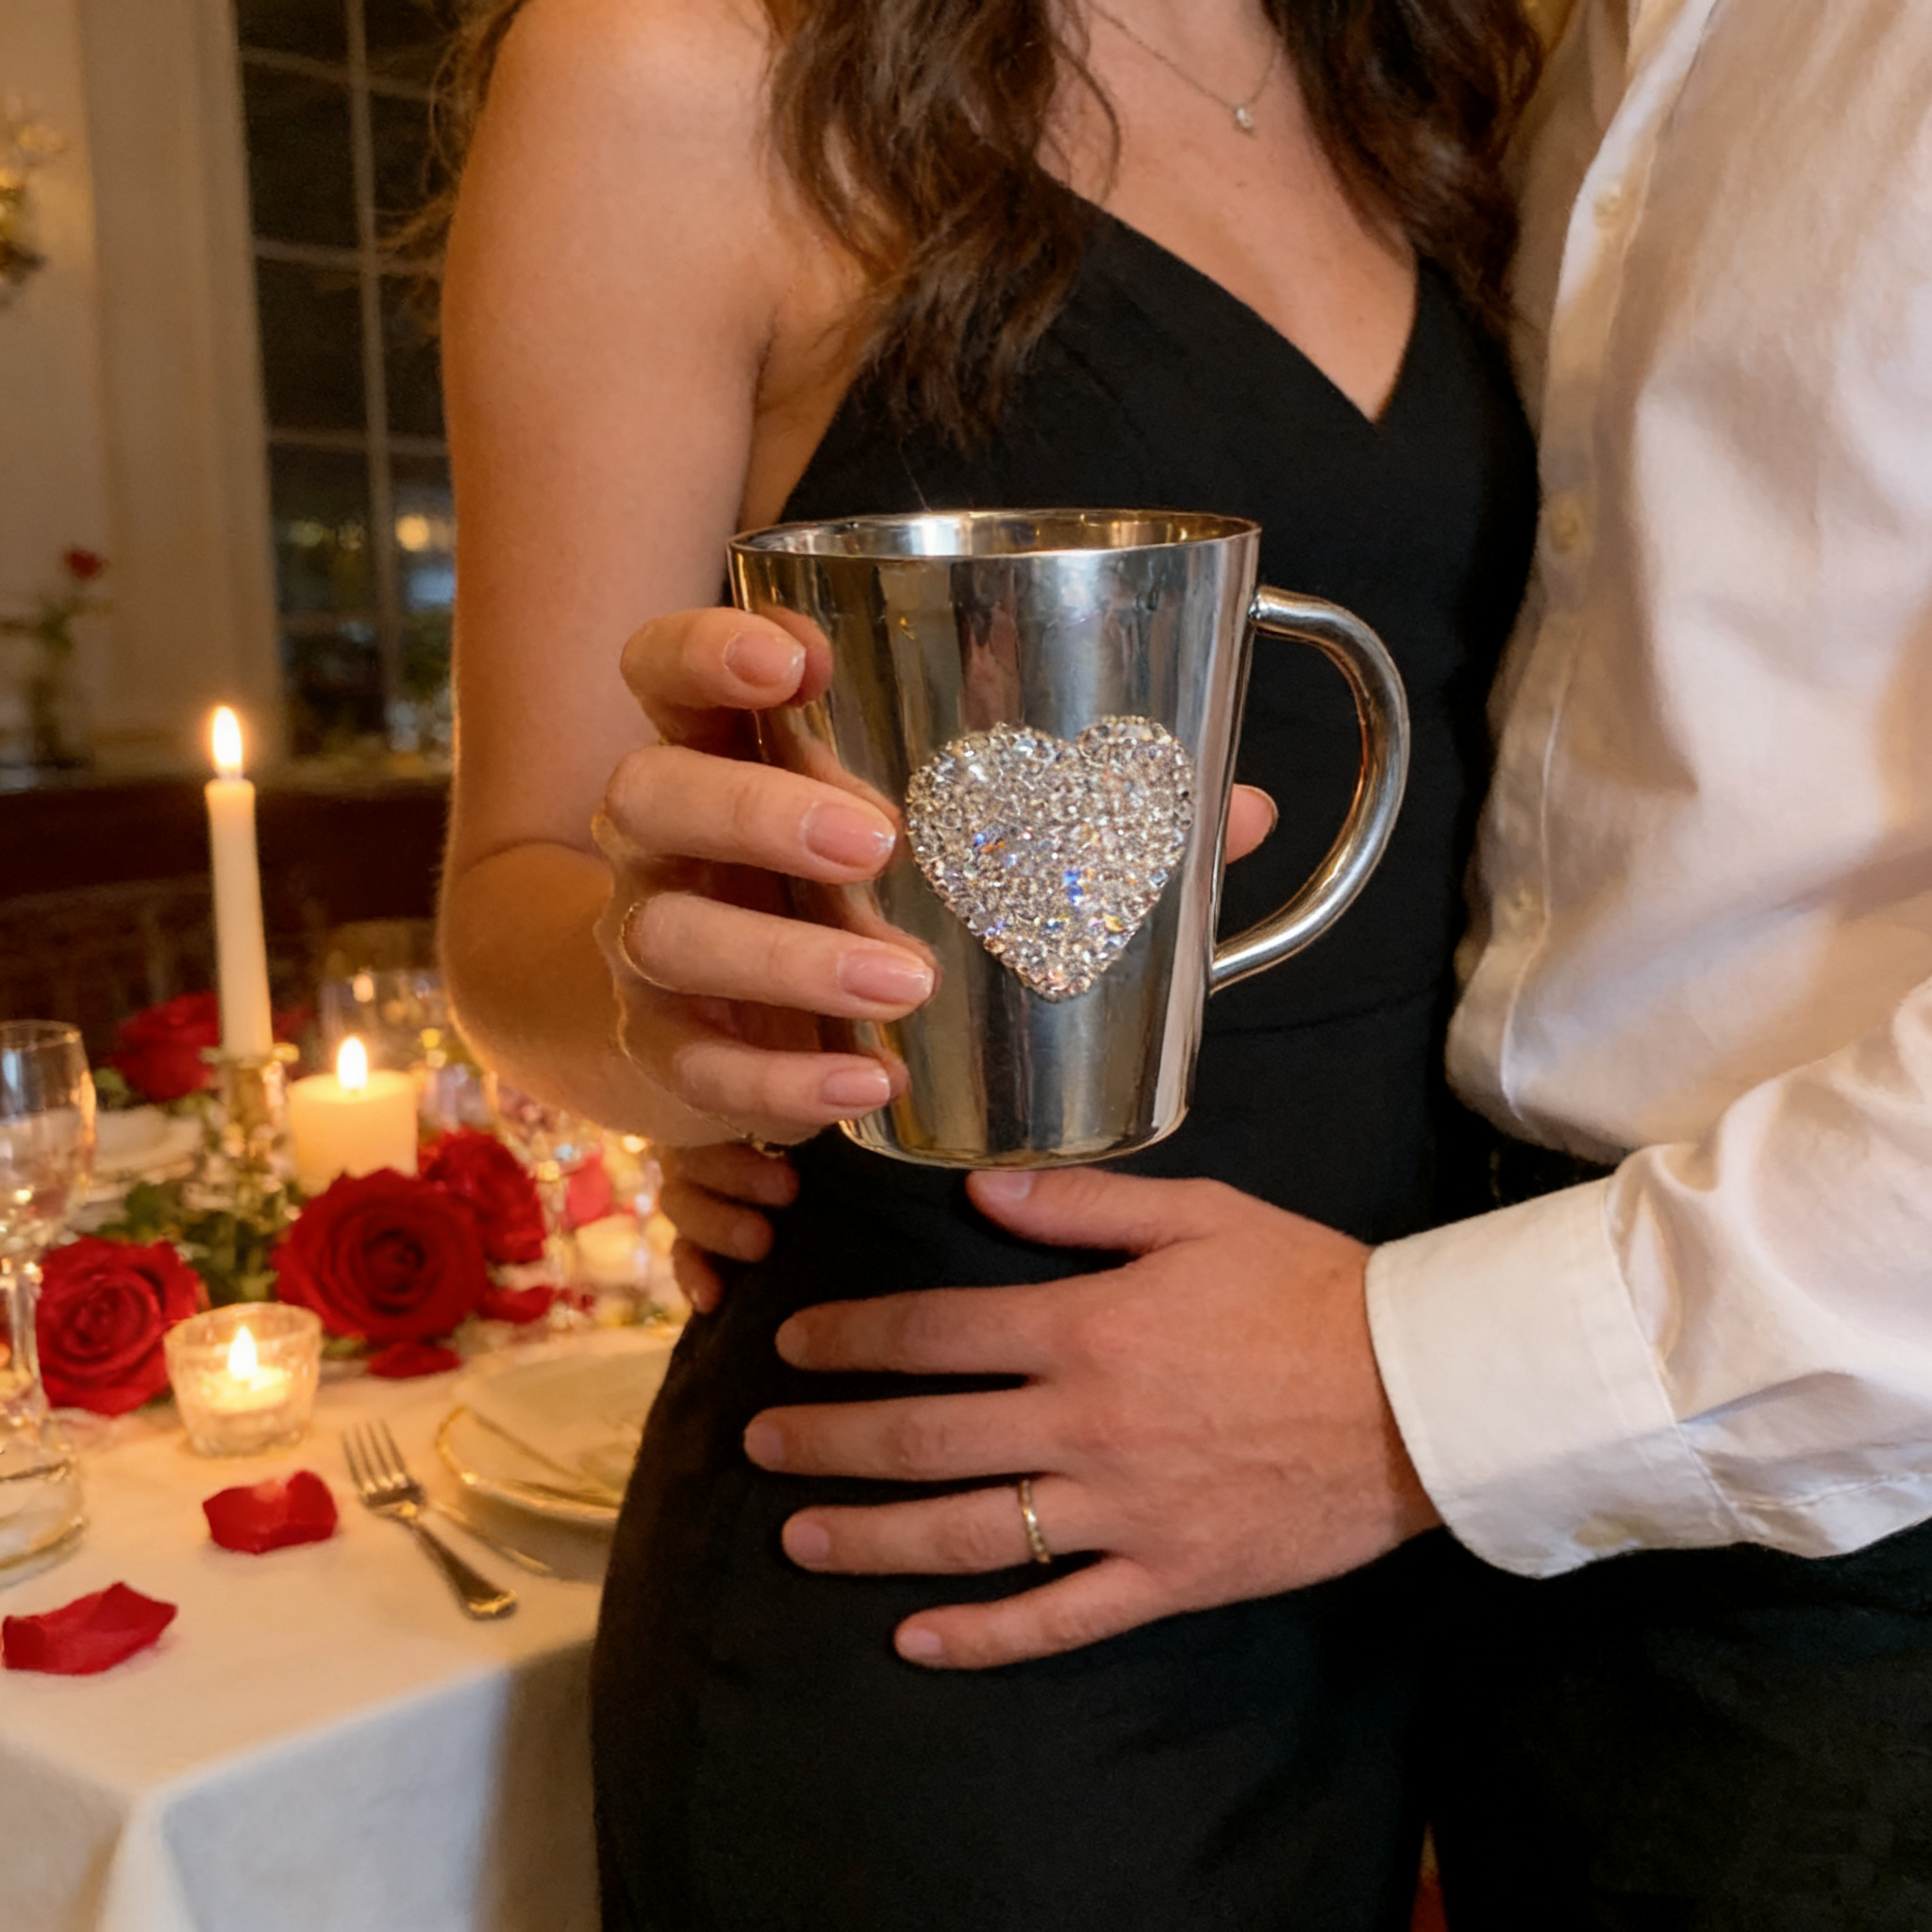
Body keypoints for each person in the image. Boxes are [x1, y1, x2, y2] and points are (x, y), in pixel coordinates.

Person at [683, 0, 1932, 1923]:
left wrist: (1404, 1388)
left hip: (1797, 1471)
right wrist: (692, 1015)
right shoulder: (1491, 67)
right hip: (1330, 1460)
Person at [434, 0, 1543, 1924]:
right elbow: (512, 898)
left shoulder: (1454, 71)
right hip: (954, 1553)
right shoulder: (674, 66)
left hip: (1419, 1495)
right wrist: (684, 1010)